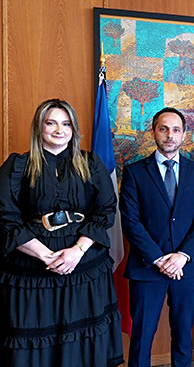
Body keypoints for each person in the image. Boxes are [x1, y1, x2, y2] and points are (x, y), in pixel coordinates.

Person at [0, 99, 123, 366]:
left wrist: (76, 251)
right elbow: (5, 217)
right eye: (51, 123)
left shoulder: (90, 163)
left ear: (73, 129)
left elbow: (105, 210)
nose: (59, 130)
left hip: (84, 264)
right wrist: (46, 257)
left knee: (82, 342)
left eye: (66, 124)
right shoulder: (17, 166)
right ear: (39, 127)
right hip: (32, 269)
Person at [119, 107, 194, 367]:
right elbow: (131, 221)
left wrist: (182, 255)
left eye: (176, 130)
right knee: (142, 337)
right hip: (147, 267)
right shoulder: (134, 172)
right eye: (163, 129)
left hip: (186, 268)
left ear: (184, 134)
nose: (170, 135)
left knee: (183, 335)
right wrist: (159, 259)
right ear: (153, 132)